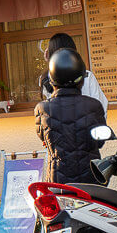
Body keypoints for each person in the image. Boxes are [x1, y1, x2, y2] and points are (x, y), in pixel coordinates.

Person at [35, 49, 107, 184]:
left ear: (51, 80)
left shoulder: (42, 108)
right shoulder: (94, 106)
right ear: (81, 79)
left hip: (58, 181)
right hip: (90, 180)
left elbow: (43, 138)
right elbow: (100, 142)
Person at [38, 33, 108, 114]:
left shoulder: (46, 78)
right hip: (88, 124)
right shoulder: (87, 76)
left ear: (50, 55)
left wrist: (49, 62)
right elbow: (101, 106)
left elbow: (49, 111)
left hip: (59, 126)